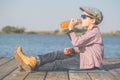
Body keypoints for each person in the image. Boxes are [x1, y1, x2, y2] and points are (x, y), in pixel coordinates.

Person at [14, 6, 104, 72]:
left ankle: (30, 66)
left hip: (88, 62)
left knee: (58, 63)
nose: (81, 19)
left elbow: (76, 42)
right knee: (57, 54)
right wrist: (72, 50)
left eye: (84, 17)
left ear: (93, 20)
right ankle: (32, 60)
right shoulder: (89, 31)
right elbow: (84, 48)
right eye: (81, 16)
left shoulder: (94, 32)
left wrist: (71, 28)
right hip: (83, 57)